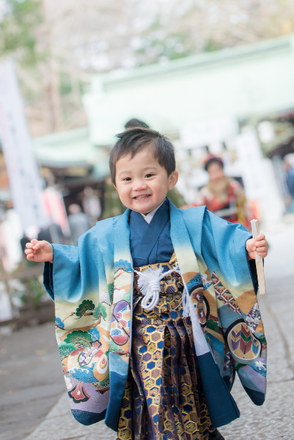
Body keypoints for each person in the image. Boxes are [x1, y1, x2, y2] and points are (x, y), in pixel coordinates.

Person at [25, 128, 268, 440]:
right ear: (115, 186)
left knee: (187, 396)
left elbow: (227, 242)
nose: (138, 185)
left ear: (172, 178)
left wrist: (247, 249)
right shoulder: (104, 234)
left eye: (149, 175)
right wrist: (54, 257)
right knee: (144, 400)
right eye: (127, 179)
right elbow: (80, 262)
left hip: (186, 335)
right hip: (132, 341)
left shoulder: (195, 222)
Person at [195, 156, 253, 230]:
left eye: (218, 170)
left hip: (238, 230)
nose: (216, 176)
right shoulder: (204, 195)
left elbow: (247, 211)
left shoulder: (235, 189)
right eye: (212, 172)